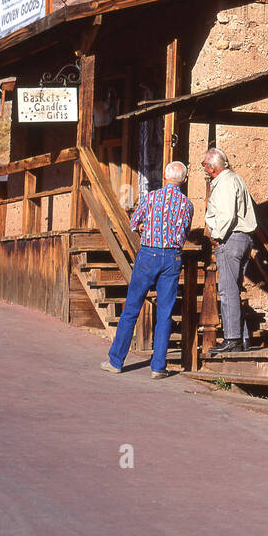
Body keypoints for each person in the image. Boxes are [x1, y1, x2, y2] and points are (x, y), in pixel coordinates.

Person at [100, 160, 194, 380]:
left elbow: (134, 223)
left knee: (132, 308)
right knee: (165, 312)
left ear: (164, 176)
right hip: (172, 257)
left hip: (148, 255)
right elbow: (185, 231)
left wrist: (143, 226)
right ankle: (158, 367)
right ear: (185, 181)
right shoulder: (187, 204)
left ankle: (116, 361)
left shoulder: (151, 198)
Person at [201, 147, 257, 354]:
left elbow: (226, 215)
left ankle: (232, 338)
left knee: (227, 290)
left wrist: (216, 236)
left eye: (204, 165)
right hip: (242, 239)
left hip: (231, 238)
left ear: (212, 167)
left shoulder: (225, 183)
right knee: (233, 289)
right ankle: (241, 339)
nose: (204, 168)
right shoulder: (234, 179)